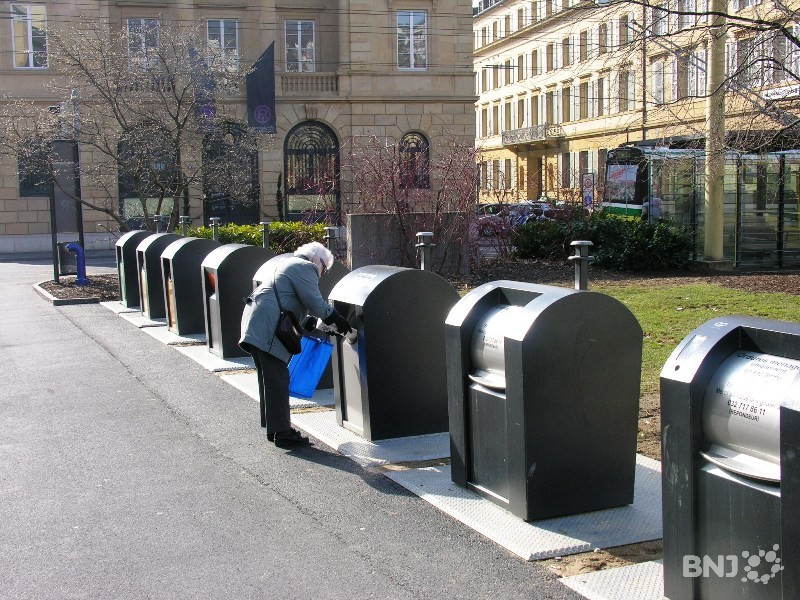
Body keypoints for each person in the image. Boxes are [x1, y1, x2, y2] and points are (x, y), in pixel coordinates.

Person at [240, 242, 351, 448]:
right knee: (278, 379)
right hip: (268, 327)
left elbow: (291, 298)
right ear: (316, 260)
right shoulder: (305, 267)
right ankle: (282, 432)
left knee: (269, 379)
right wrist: (337, 319)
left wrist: (310, 321)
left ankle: (274, 428)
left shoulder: (286, 263)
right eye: (324, 269)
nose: (321, 273)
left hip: (256, 323)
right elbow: (315, 302)